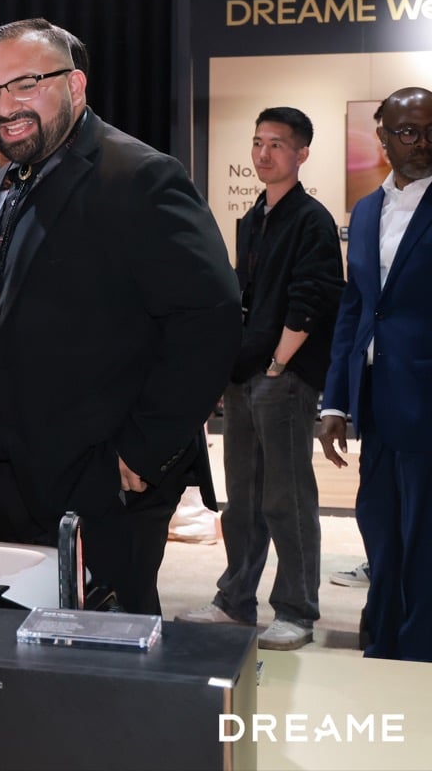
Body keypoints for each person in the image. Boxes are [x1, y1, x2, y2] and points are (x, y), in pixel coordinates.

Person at [0, 18, 241, 615]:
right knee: (13, 665)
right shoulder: (0, 181)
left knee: (102, 677)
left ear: (75, 86)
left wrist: (138, 455)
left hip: (98, 486)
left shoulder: (140, 177)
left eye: (25, 84)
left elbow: (210, 318)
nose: (6, 106)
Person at [179, 107, 343, 650]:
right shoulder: (253, 217)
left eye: (277, 144)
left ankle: (296, 609)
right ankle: (236, 600)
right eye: (257, 142)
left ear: (301, 153)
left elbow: (312, 296)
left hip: (285, 377)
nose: (264, 153)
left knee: (287, 498)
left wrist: (278, 362)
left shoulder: (311, 219)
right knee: (242, 500)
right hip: (245, 374)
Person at [318, 86, 432, 661]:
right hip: (378, 405)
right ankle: (385, 644)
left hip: (426, 404)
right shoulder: (366, 211)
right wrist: (334, 402)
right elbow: (356, 309)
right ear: (382, 138)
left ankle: (420, 654)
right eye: (408, 131)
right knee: (381, 534)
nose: (423, 142)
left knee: (425, 544)